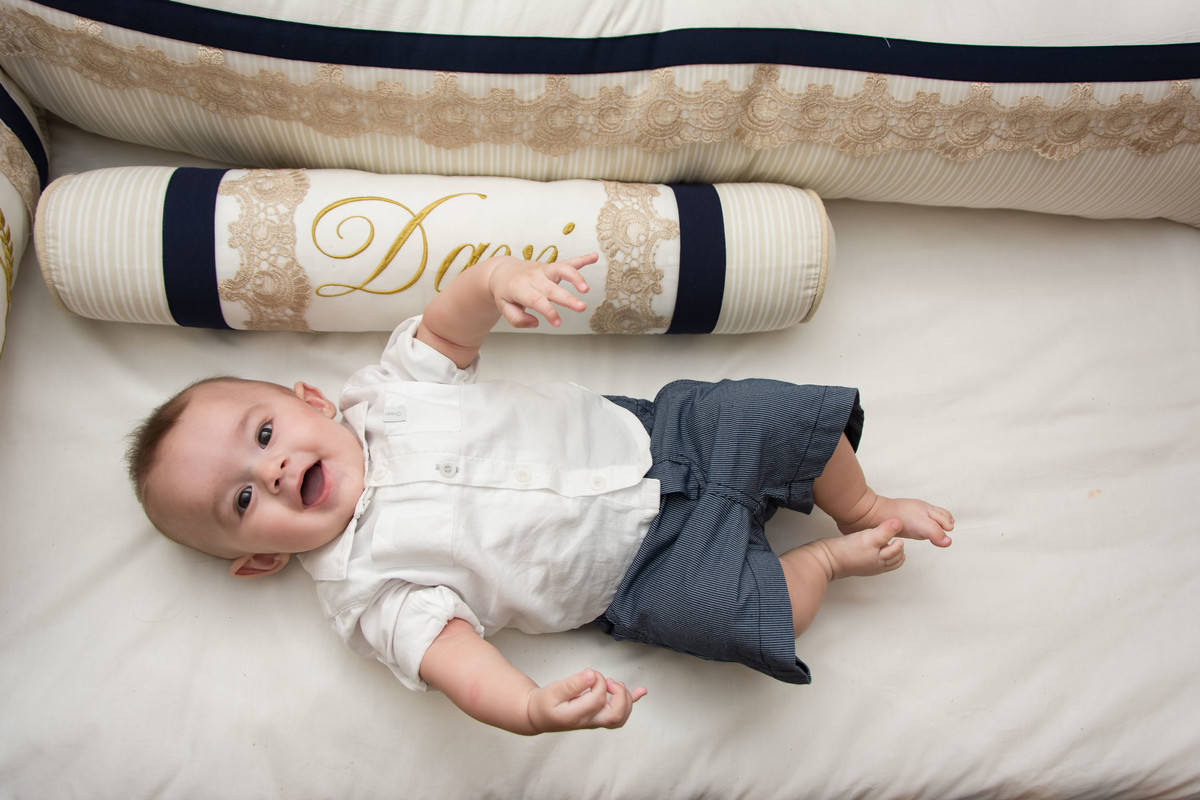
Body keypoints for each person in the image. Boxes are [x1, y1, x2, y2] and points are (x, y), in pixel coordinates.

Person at [128, 252, 954, 735]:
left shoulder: (387, 394)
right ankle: (829, 560)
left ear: (310, 401)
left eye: (263, 435)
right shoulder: (367, 589)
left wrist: (497, 282)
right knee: (737, 616)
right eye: (242, 502)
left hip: (655, 436)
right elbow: (458, 662)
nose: (271, 472)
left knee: (772, 415)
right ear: (260, 560)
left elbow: (446, 324)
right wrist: (526, 707)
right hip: (641, 572)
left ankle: (863, 505)